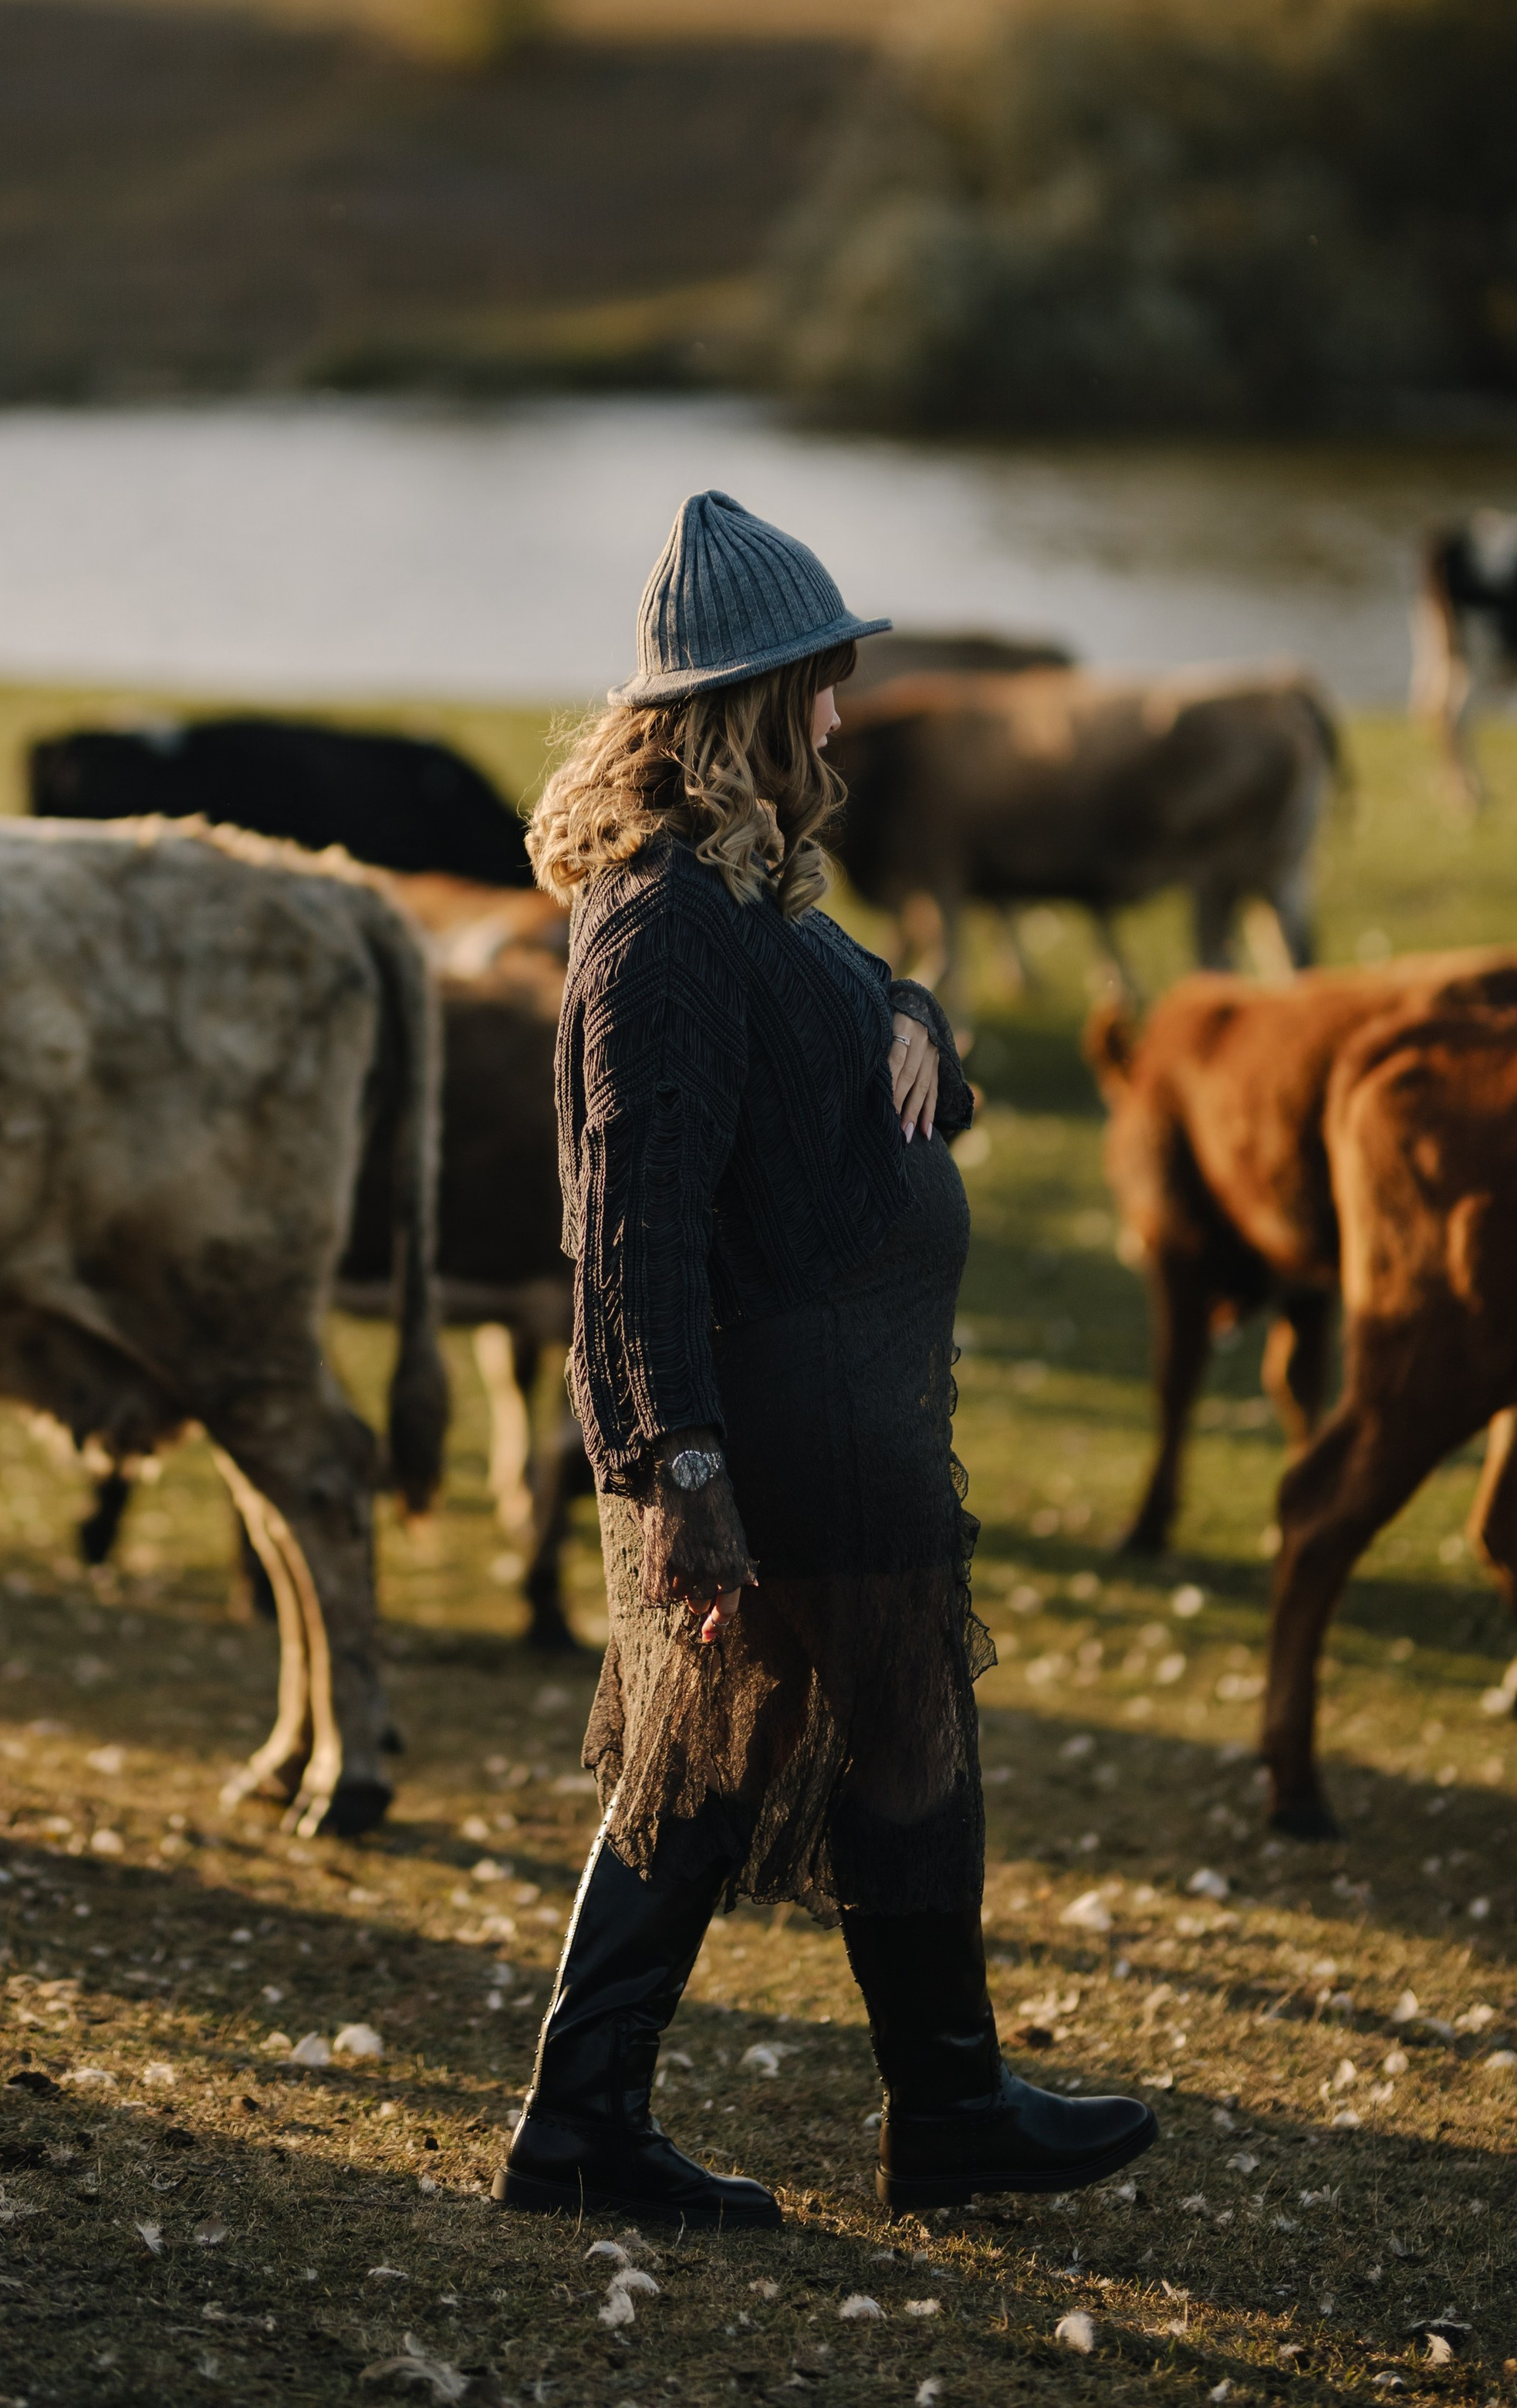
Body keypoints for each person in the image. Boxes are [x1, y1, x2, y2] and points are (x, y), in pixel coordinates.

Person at [494, 491, 1155, 2228]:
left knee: (726, 1769)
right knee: (882, 1749)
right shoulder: (658, 932)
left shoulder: (760, 897)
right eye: (819, 686)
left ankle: (602, 2124)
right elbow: (623, 1233)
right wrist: (680, 1478)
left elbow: (898, 1025)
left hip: (839, 1411)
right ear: (744, 708)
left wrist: (919, 1031)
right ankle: (931, 2113)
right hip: (785, 1423)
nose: (843, 716)